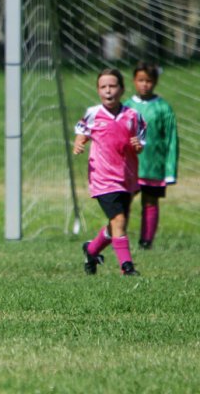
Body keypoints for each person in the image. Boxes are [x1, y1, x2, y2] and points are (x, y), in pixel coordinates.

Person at [74, 68, 146, 276]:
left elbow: (140, 142)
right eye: (103, 87)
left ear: (122, 89)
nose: (108, 91)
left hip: (126, 177)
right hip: (102, 177)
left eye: (112, 86)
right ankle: (127, 267)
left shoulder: (133, 116)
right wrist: (79, 143)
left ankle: (91, 250)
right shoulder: (93, 113)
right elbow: (81, 131)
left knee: (116, 222)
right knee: (119, 221)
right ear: (98, 90)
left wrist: (138, 145)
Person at [124, 62, 178, 250]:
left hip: (154, 166)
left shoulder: (163, 108)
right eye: (140, 80)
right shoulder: (127, 107)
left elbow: (171, 139)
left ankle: (146, 242)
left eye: (149, 80)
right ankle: (118, 238)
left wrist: (170, 170)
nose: (144, 84)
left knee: (150, 201)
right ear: (134, 81)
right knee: (124, 201)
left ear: (155, 82)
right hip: (130, 166)